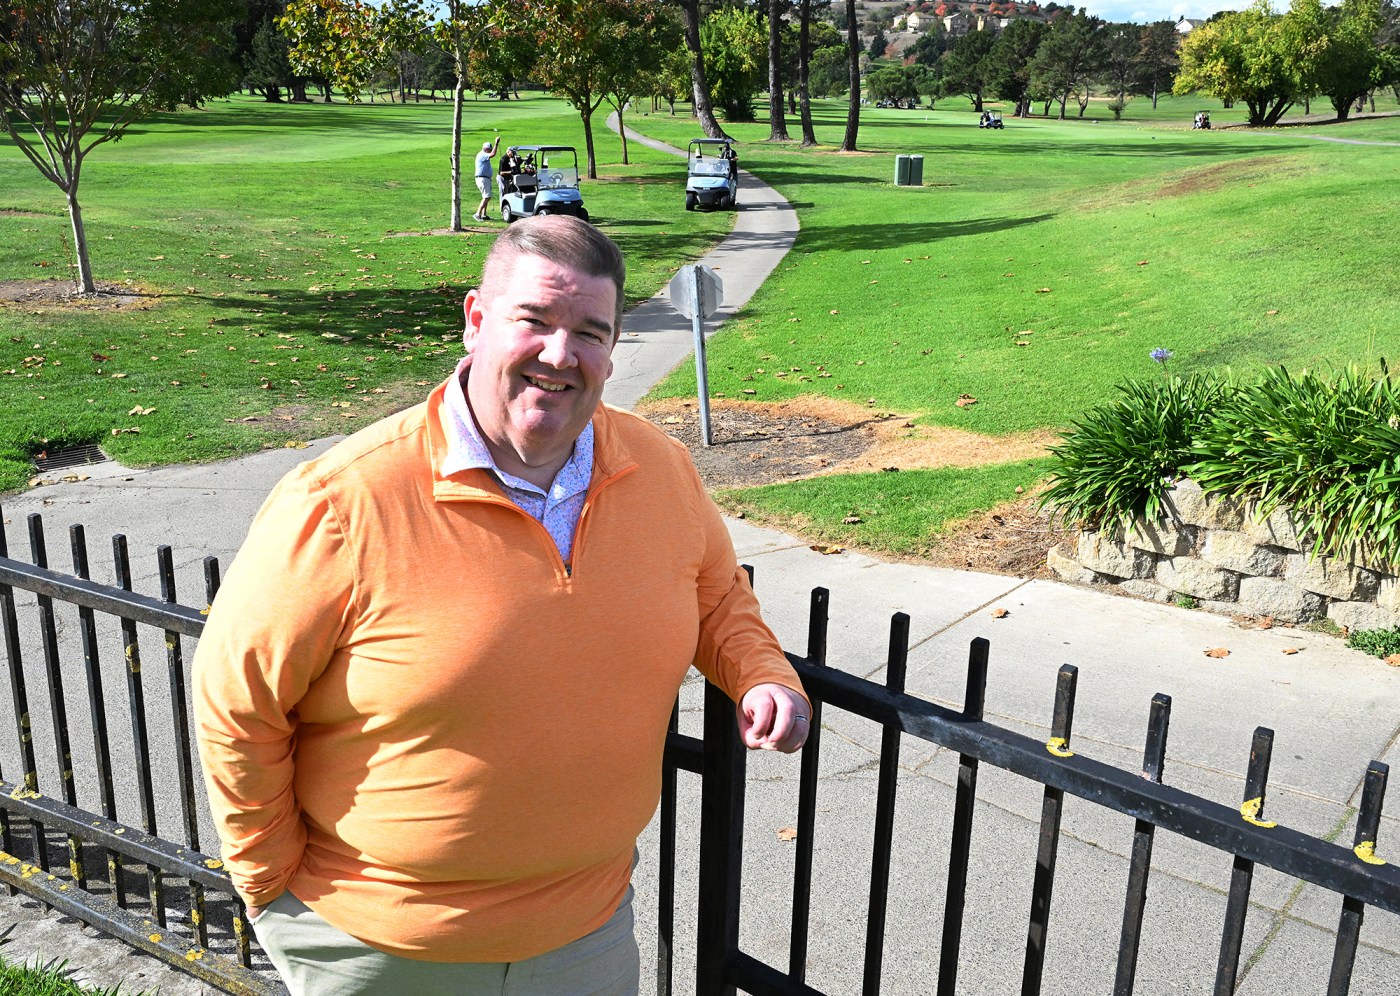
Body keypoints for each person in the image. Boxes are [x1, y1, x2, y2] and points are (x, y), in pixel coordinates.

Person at [193, 215, 810, 996]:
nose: (559, 353)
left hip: (587, 934)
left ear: (613, 347)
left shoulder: (660, 468)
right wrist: (271, 885)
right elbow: (237, 703)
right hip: (384, 946)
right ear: (476, 320)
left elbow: (716, 594)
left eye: (589, 332)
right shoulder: (341, 502)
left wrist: (762, 674)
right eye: (535, 320)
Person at [473, 135, 501, 221]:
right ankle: (477, 214)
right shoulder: (482, 154)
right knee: (486, 197)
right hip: (482, 179)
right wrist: (496, 143)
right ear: (485, 149)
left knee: (486, 196)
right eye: (489, 149)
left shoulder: (484, 154)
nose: (490, 151)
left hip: (485, 178)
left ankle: (484, 215)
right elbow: (493, 154)